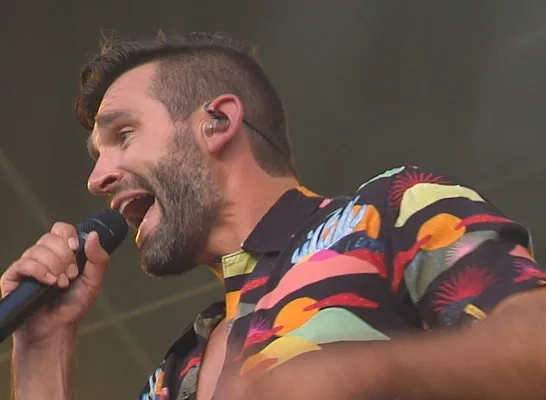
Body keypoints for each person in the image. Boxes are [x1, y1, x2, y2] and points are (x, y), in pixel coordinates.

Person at [2, 31, 546, 400]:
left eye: (124, 135)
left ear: (217, 122)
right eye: (97, 157)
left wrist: (365, 372)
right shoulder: (177, 372)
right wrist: (43, 348)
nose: (97, 178)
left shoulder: (391, 209)